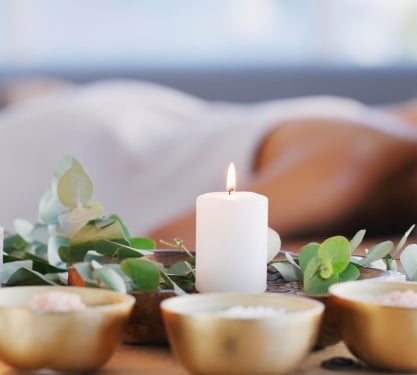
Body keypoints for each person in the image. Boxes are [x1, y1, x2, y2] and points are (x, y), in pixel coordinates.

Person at [0, 79, 416, 249]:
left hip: (152, 123)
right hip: (103, 157)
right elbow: (158, 251)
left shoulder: (396, 134)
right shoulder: (347, 166)